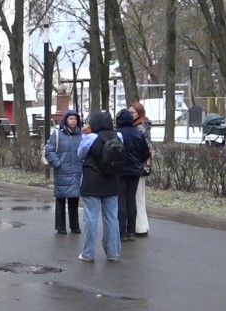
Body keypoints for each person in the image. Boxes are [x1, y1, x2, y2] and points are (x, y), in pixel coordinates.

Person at [77, 110, 122, 262]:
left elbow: (80, 154)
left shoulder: (90, 138)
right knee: (112, 218)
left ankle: (88, 253)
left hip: (92, 182)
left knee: (91, 218)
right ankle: (113, 252)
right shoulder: (118, 136)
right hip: (112, 181)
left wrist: (84, 135)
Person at [44, 109, 84, 234]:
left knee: (74, 198)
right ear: (65, 120)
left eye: (75, 119)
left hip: (77, 170)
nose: (73, 121)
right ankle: (60, 227)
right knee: (61, 199)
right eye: (70, 119)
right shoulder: (57, 134)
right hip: (62, 170)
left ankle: (75, 226)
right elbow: (49, 150)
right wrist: (57, 163)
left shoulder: (81, 135)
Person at [115, 109, 151, 242]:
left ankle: (121, 232)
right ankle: (131, 231)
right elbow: (146, 153)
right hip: (135, 171)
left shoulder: (117, 134)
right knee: (131, 199)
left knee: (121, 199)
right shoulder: (138, 133)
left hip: (120, 170)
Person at [129, 101, 152, 238]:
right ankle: (141, 226)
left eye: (133, 112)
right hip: (140, 165)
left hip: (139, 166)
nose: (131, 115)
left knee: (137, 196)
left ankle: (140, 227)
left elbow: (145, 149)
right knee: (138, 196)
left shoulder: (140, 128)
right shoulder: (141, 126)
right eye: (130, 112)